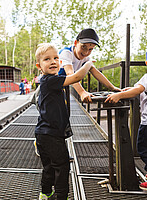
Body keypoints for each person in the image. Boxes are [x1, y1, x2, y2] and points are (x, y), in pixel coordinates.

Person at [105, 44, 147, 192]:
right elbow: (145, 89)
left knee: (146, 150)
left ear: (146, 63)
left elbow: (139, 90)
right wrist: (130, 89)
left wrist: (119, 95)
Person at [35, 43, 95, 200]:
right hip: (52, 134)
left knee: (49, 166)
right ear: (39, 66)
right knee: (62, 166)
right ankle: (62, 196)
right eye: (47, 59)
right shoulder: (50, 80)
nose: (53, 61)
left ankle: (45, 193)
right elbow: (76, 77)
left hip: (43, 133)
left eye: (56, 58)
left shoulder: (50, 80)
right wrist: (88, 64)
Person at [59, 28, 121, 102]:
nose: (86, 52)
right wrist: (82, 92)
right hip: (52, 86)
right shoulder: (67, 53)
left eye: (90, 49)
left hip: (63, 86)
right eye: (83, 47)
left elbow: (96, 72)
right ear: (75, 43)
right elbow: (70, 74)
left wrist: (112, 88)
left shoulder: (86, 58)